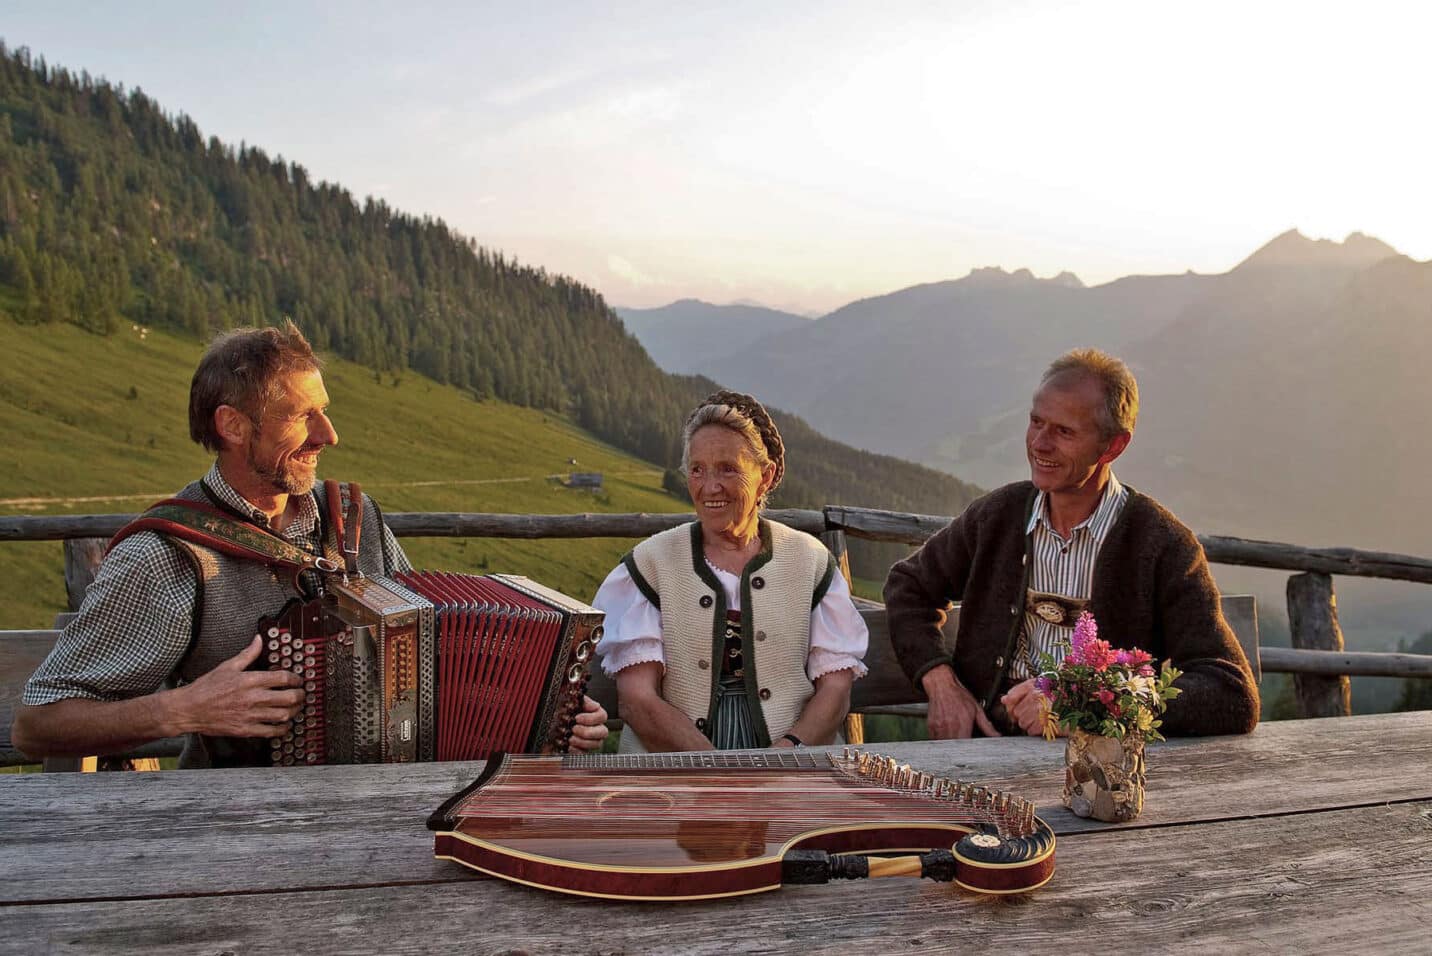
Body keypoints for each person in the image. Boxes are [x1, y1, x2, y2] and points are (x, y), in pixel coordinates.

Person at [12, 321, 608, 767]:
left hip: (385, 806)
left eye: (323, 411)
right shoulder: (167, 556)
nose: (329, 434)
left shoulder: (355, 519)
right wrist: (185, 709)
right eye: (303, 417)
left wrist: (551, 711)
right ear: (234, 425)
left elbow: (433, 654)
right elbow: (35, 726)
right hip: (240, 826)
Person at [884, 348, 1259, 739]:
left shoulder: (1162, 544)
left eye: (1064, 432)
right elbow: (908, 586)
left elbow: (1231, 693)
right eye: (1036, 422)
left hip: (1104, 769)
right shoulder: (996, 517)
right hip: (984, 756)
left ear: (1114, 446)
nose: (1040, 444)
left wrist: (1086, 705)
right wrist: (941, 684)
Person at [593, 390, 868, 753]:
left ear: (765, 477)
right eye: (697, 470)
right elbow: (638, 700)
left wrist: (785, 756)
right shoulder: (651, 564)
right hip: (674, 765)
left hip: (791, 763)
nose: (710, 487)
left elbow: (835, 690)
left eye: (728, 468)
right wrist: (715, 770)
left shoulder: (810, 561)